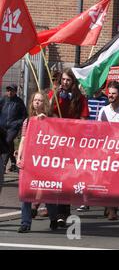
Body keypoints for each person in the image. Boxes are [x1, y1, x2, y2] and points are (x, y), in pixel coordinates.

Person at [47, 68, 89, 228]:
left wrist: (71, 126)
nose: (65, 83)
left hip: (72, 143)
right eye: (63, 80)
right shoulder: (55, 95)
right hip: (56, 141)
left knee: (67, 178)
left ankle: (63, 212)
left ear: (73, 82)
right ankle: (53, 209)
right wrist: (55, 95)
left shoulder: (80, 98)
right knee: (55, 176)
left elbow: (84, 119)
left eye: (68, 80)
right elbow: (48, 110)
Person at [16, 92, 53, 232]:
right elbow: (23, 140)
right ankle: (25, 223)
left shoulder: (50, 120)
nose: (37, 102)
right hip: (30, 160)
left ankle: (54, 218)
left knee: (46, 191)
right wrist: (19, 157)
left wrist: (44, 122)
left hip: (44, 161)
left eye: (40, 100)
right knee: (26, 191)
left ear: (45, 103)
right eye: (35, 100)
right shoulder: (28, 121)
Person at [97, 81, 119, 220]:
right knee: (107, 181)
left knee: (117, 182)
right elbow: (99, 130)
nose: (110, 96)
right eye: (109, 94)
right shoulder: (103, 111)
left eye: (113, 94)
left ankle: (112, 207)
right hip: (106, 151)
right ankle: (110, 208)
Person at [0, 84, 27, 174]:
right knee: (9, 144)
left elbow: (24, 115)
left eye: (11, 90)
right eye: (8, 90)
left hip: (13, 127)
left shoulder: (19, 102)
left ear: (15, 91)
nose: (9, 92)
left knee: (6, 142)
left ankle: (3, 165)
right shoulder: (3, 100)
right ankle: (13, 163)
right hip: (2, 127)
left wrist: (17, 123)